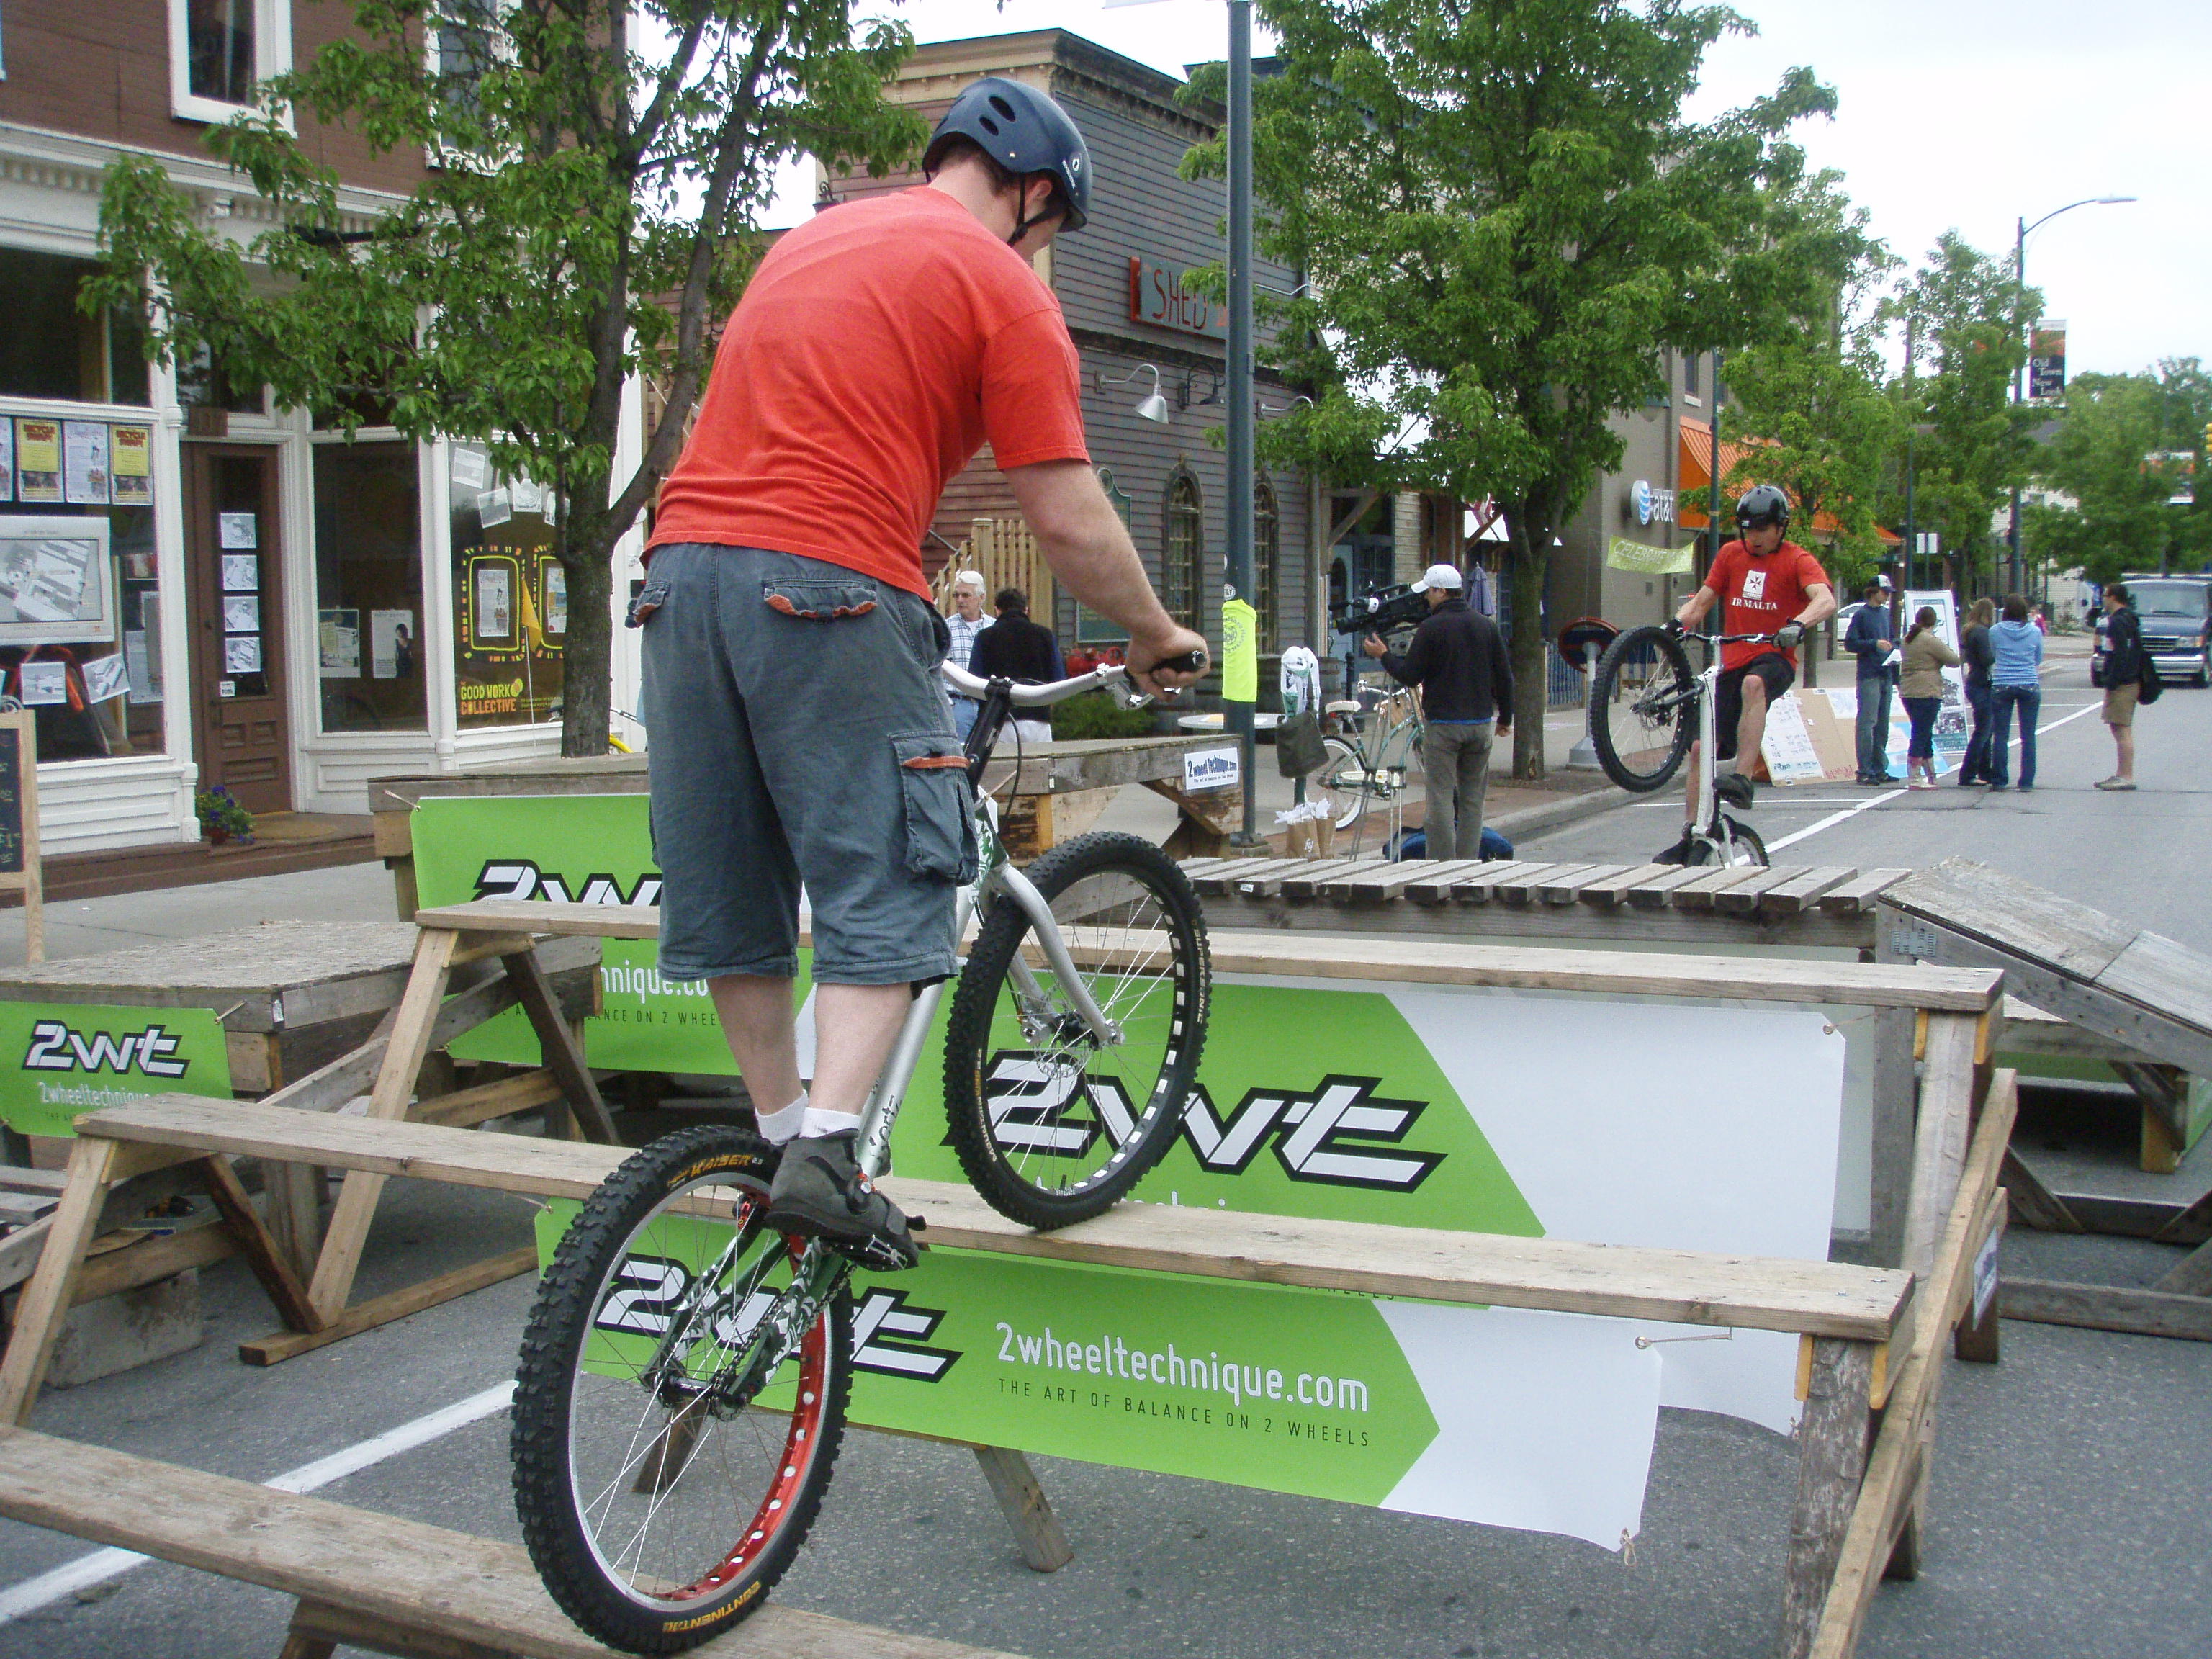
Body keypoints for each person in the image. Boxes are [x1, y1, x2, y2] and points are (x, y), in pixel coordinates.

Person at [637, 76, 1208, 1265]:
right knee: (894, 874)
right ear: (1031, 193)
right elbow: (1065, 514)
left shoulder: (808, 245)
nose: (1043, 253)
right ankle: (830, 1152)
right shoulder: (1001, 284)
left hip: (678, 577)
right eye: (1050, 231)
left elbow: (792, 438)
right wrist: (1154, 630)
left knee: (733, 888)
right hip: (827, 580)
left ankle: (777, 1137)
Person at [1659, 485, 1836, 860]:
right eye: (1748, 529)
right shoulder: (1730, 555)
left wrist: (1799, 624)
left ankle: (1742, 777)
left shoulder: (1798, 559)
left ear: (1780, 528)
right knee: (1699, 749)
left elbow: (1825, 600)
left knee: (1754, 684)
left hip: (1775, 658)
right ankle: (1692, 833)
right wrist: (1672, 626)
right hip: (1732, 663)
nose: (1754, 537)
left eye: (1762, 529)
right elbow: (1701, 604)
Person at [1359, 562, 1514, 860]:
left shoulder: (1431, 629)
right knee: (1472, 802)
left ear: (1441, 591)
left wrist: (1384, 656)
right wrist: (1505, 718)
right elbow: (1505, 678)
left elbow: (1409, 675)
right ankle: (1467, 864)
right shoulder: (1487, 626)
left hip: (1443, 725)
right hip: (1480, 724)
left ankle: (1442, 866)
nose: (1426, 599)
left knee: (1440, 798)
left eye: (1429, 592)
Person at [968, 586, 1060, 746]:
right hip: (1038, 719)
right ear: (1026, 610)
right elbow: (1058, 679)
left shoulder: (984, 637)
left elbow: (974, 683)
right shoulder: (1045, 635)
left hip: (998, 720)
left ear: (997, 610)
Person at [1897, 607, 1959, 789]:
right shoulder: (1930, 640)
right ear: (1933, 622)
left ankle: (1931, 776)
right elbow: (1954, 660)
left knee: (1923, 732)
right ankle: (1916, 777)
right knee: (1921, 733)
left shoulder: (1907, 639)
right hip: (1927, 690)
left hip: (1908, 690)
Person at [1843, 577, 1897, 784]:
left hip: (1885, 672)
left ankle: (1879, 767)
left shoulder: (1885, 613)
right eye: (1885, 592)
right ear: (1874, 591)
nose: (1887, 595)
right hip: (1869, 674)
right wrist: (1874, 644)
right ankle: (1864, 770)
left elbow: (1892, 638)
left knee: (1882, 724)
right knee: (1868, 722)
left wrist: (1895, 647)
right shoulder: (1861, 615)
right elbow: (1850, 643)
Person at [2095, 583, 2141, 790]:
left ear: (2113, 597)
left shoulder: (2118, 622)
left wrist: (2112, 680)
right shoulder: (2130, 619)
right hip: (2129, 680)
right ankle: (2121, 773)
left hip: (2123, 683)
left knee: (2122, 728)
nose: (2103, 599)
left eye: (2105, 595)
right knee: (2118, 726)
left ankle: (2126, 776)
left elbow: (2121, 654)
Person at [943, 569, 990, 739]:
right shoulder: (945, 629)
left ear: (981, 598)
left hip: (988, 705)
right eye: (956, 595)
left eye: (966, 595)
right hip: (958, 705)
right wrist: (948, 703)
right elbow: (936, 669)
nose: (960, 600)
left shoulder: (993, 627)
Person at [1956, 597, 1997, 786]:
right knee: (1983, 730)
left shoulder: (1970, 630)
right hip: (1982, 683)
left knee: (1985, 730)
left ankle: (1984, 771)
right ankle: (1968, 773)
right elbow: (1987, 658)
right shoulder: (1982, 632)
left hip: (1974, 681)